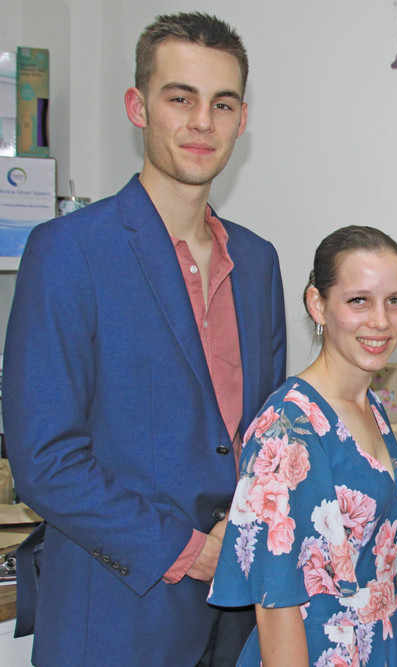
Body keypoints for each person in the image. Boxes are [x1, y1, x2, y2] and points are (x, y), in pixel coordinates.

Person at [4, 12, 286, 667]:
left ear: (242, 120)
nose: (201, 123)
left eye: (221, 104)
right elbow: (45, 464)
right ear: (138, 107)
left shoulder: (259, 261)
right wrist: (191, 550)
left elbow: (267, 441)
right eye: (179, 98)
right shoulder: (68, 251)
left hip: (240, 622)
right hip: (115, 620)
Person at [208, 226, 397, 666]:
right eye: (358, 300)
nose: (381, 320)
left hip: (380, 645)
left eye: (395, 300)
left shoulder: (369, 406)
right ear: (317, 304)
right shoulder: (288, 427)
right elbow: (276, 602)